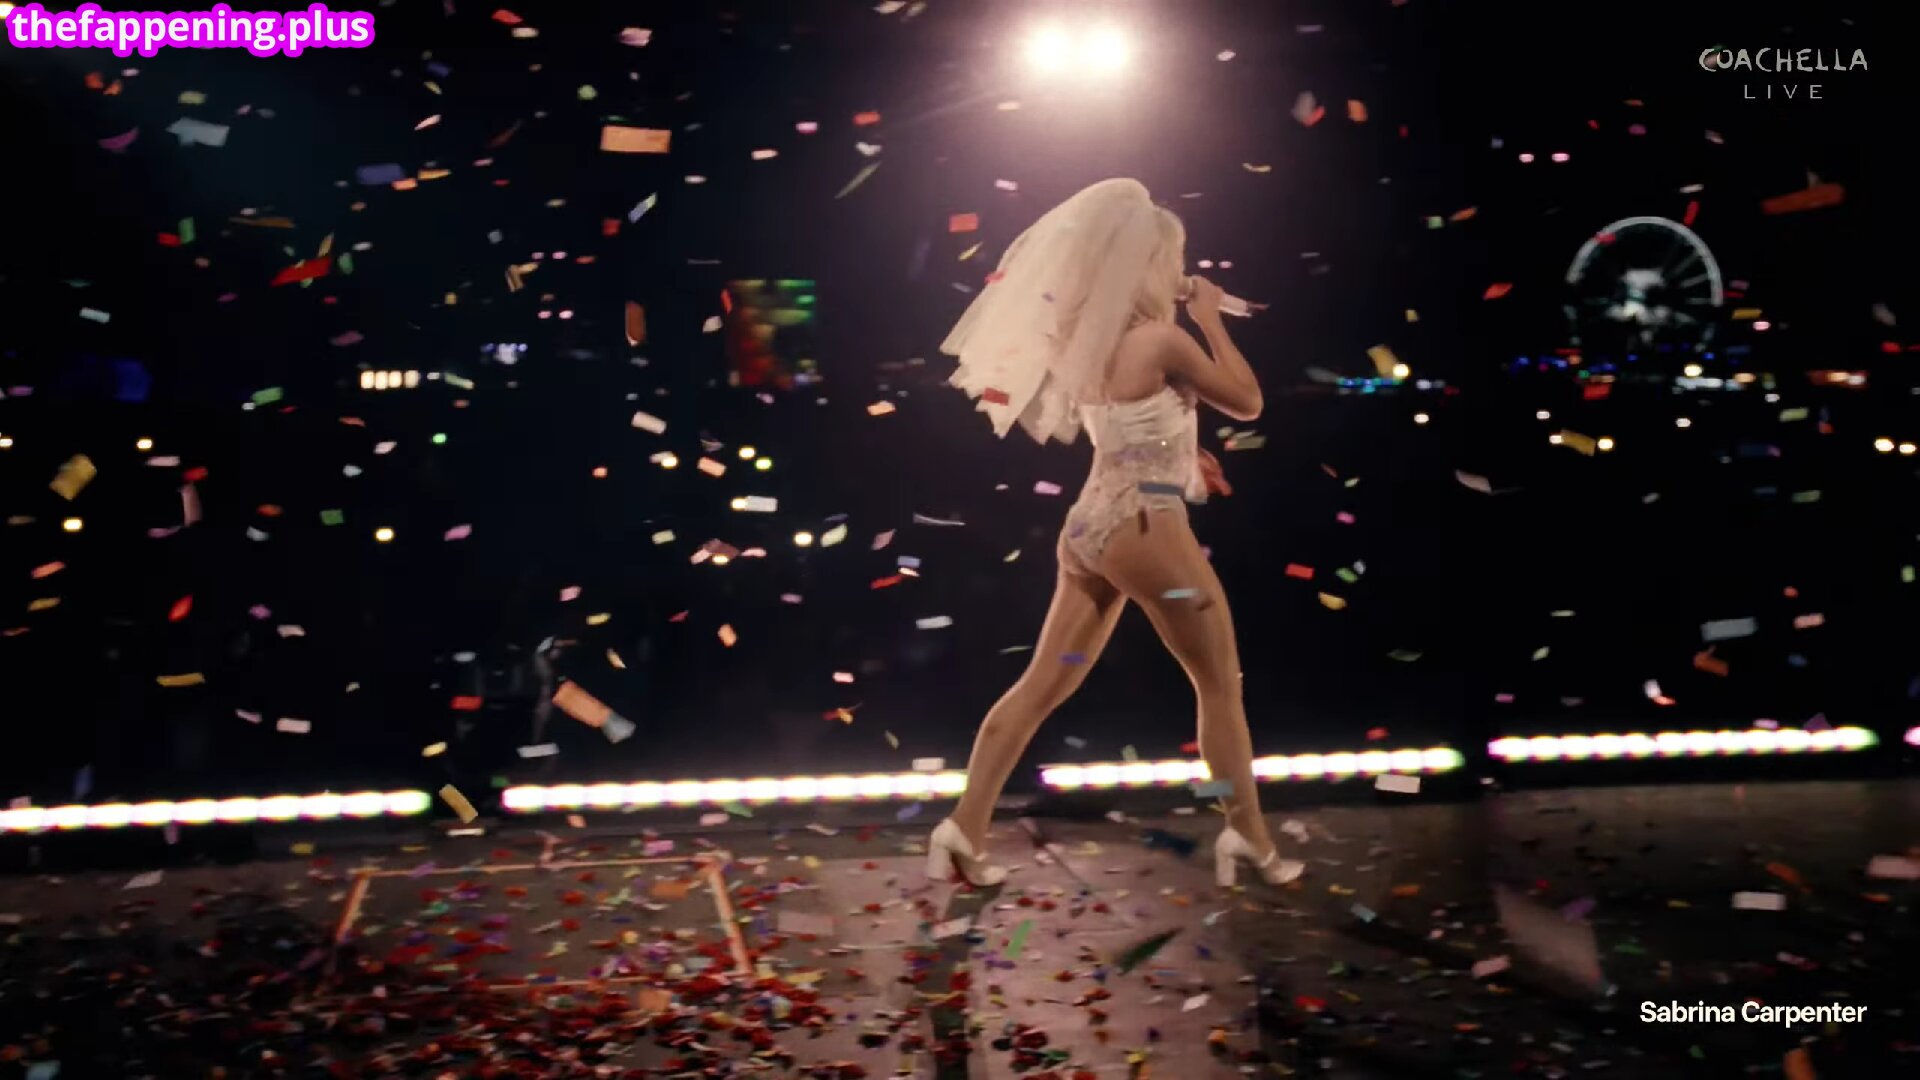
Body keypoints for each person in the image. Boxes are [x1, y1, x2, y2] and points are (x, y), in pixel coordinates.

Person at [926, 178, 1303, 889]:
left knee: (1042, 684)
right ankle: (1249, 838)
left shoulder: (1087, 340)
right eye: (1174, 259)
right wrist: (1212, 318)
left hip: (1089, 528)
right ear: (1152, 265)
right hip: (1144, 526)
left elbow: (1131, 428)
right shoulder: (1163, 338)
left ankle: (963, 827)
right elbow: (1248, 401)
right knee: (1219, 685)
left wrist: (1185, 453)